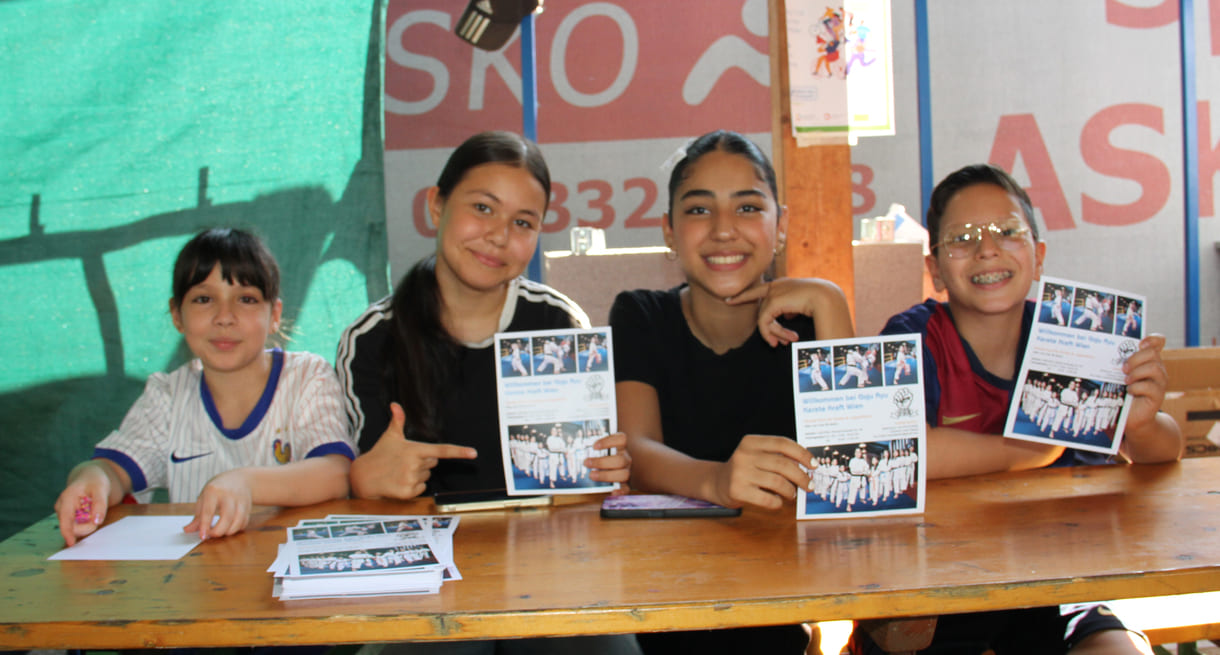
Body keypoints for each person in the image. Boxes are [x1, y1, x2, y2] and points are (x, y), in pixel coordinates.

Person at [853, 163, 1183, 655]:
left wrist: (1139, 424)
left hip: (1059, 583)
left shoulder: (1078, 337)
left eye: (1007, 232)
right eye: (962, 238)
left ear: (1038, 254)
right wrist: (1024, 451)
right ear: (936, 269)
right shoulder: (914, 337)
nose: (987, 249)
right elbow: (900, 453)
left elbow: (1164, 452)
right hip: (934, 589)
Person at [336, 131, 636, 655]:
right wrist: (365, 480)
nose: (498, 236)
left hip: (548, 577)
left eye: (523, 223)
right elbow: (357, 490)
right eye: (482, 208)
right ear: (436, 205)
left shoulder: (558, 323)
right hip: (424, 585)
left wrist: (602, 474)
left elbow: (584, 498)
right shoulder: (372, 338)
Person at [612, 129, 854, 655]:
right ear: (669, 233)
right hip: (662, 603)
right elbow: (637, 450)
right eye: (699, 211)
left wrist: (832, 302)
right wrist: (719, 480)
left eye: (747, 207)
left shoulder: (810, 322)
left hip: (777, 599)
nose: (724, 231)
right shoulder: (641, 316)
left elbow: (857, 457)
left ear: (780, 225)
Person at [54, 228, 356, 546]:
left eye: (246, 299)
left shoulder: (307, 377)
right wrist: (91, 479)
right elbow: (113, 470)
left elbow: (335, 474)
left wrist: (247, 483)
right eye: (204, 299)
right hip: (197, 581)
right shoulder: (167, 395)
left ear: (275, 316)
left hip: (291, 578)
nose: (224, 317)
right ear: (177, 315)